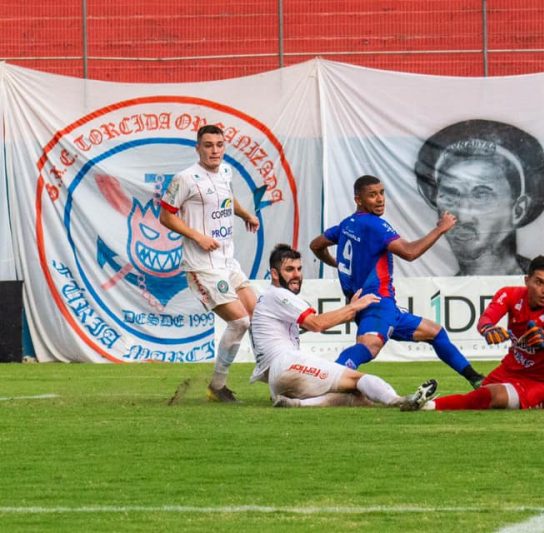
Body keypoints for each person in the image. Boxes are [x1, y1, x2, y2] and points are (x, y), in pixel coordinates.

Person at [309, 174, 485, 389]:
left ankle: (475, 378)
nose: (380, 199)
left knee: (435, 332)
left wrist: (336, 263)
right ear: (359, 200)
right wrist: (441, 229)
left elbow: (316, 245)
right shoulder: (376, 225)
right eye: (372, 195)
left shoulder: (347, 224)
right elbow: (410, 253)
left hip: (371, 304)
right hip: (378, 302)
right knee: (369, 346)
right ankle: (326, 380)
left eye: (381, 193)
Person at [250, 244, 438, 410]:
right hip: (287, 364)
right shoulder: (278, 295)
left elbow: (314, 324)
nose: (297, 275)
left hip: (277, 380)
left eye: (299, 269)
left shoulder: (269, 299)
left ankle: (297, 403)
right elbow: (317, 324)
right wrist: (353, 307)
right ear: (274, 274)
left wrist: (350, 311)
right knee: (357, 380)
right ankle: (399, 400)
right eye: (289, 269)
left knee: (354, 397)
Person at [159, 124, 260, 403]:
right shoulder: (186, 178)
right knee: (240, 321)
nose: (214, 150)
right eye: (208, 145)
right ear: (198, 148)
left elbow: (227, 198)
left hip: (228, 260)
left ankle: (274, 371)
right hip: (201, 265)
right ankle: (217, 386)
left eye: (219, 145)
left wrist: (245, 214)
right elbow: (166, 216)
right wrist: (197, 236)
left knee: (259, 316)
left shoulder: (226, 171)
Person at [418, 255, 544, 411]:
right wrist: (488, 329)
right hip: (509, 369)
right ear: (527, 281)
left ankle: (428, 406)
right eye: (539, 282)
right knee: (482, 395)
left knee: (492, 396)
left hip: (539, 382)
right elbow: (486, 319)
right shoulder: (510, 295)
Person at [415, 119, 544, 276]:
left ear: (518, 210)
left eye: (481, 196)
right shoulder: (434, 292)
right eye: (450, 195)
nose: (463, 216)